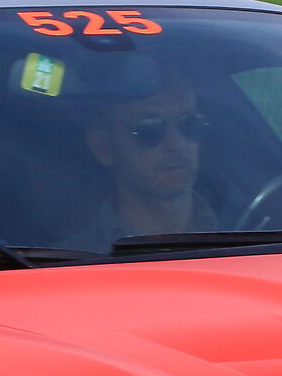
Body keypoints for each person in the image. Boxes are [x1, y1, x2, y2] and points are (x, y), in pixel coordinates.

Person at [69, 75, 218, 251]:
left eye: (189, 123)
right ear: (103, 147)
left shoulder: (247, 230)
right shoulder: (71, 262)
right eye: (150, 129)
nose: (177, 143)